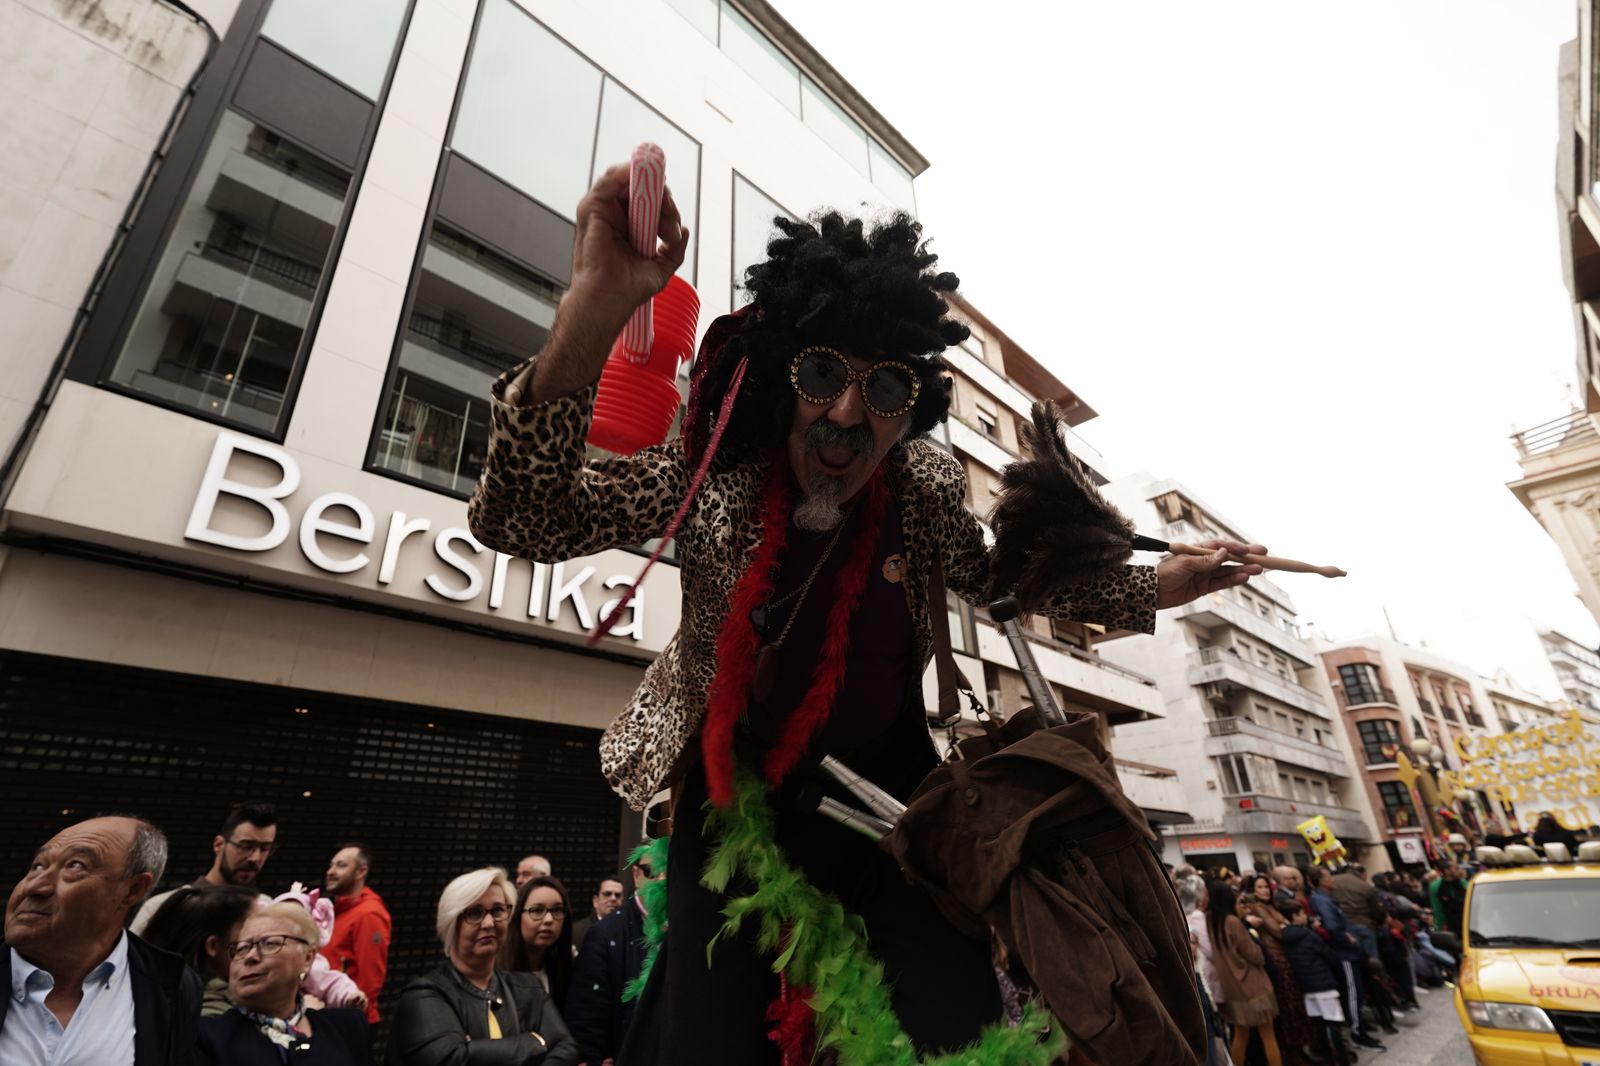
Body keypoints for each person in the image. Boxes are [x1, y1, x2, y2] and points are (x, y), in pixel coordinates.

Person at [469, 163, 1255, 1064]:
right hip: (736, 796)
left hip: (890, 801)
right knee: (713, 1036)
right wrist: (597, 308)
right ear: (778, 377)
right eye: (819, 373)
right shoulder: (720, 462)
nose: (845, 413)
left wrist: (1162, 585)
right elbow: (518, 519)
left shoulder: (917, 485)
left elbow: (1007, 577)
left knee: (955, 1026)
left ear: (906, 411)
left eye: (881, 390)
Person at [1, 814, 202, 1065]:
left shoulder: (171, 984)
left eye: (75, 866)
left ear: (133, 890)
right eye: (38, 866)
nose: (35, 887)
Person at [387, 868, 576, 1065]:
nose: (489, 923)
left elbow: (567, 1048)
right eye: (475, 913)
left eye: (497, 911)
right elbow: (454, 1059)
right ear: (451, 922)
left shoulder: (528, 988)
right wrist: (534, 1042)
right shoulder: (423, 996)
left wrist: (477, 1051)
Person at [192, 901, 368, 1064]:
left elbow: (302, 1048)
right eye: (241, 948)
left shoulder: (346, 1026)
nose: (250, 957)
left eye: (269, 943)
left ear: (307, 958)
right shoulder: (206, 1038)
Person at [132, 801, 277, 934]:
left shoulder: (268, 909)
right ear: (219, 845)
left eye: (265, 849)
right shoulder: (164, 907)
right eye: (246, 846)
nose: (255, 858)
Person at [566, 856, 654, 1066]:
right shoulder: (605, 934)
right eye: (651, 870)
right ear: (636, 875)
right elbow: (588, 1014)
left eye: (668, 868)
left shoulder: (687, 927)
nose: (661, 878)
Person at [138, 882, 261, 1016]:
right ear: (213, 946)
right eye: (251, 929)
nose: (262, 942)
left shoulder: (151, 996)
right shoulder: (214, 1018)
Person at [1205, 881, 1280, 1065]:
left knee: (1240, 1035)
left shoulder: (1210, 920)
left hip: (1232, 988)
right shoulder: (1232, 922)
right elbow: (1253, 954)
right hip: (1253, 986)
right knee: (1268, 1035)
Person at [1239, 875, 1311, 1063]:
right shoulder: (1258, 908)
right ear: (1253, 890)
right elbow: (1279, 932)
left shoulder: (1271, 905)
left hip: (1284, 956)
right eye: (1259, 887)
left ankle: (1298, 1050)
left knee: (1294, 1006)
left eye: (1266, 887)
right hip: (1275, 958)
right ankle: (1292, 1053)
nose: (1264, 890)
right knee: (1287, 1007)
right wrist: (1285, 925)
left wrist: (1285, 925)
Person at [1308, 869, 1382, 1050]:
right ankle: (1357, 1032)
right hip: (1344, 954)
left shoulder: (1327, 898)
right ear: (1321, 881)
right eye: (1328, 876)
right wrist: (1348, 939)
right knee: (1352, 993)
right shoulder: (1322, 900)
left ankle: (1359, 1027)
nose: (1333, 879)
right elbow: (1333, 927)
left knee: (1356, 991)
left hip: (1348, 952)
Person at [322, 842, 390, 1024]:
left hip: (349, 1018)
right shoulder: (336, 908)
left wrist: (353, 1015)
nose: (331, 871)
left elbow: (370, 978)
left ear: (361, 872)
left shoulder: (369, 914)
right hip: (329, 1013)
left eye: (341, 865)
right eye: (331, 865)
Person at [1277, 902, 1352, 1066]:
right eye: (1302, 913)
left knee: (1320, 1025)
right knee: (1333, 1024)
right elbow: (1330, 955)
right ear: (1295, 916)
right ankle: (1342, 1059)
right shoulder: (1307, 935)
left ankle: (1328, 1059)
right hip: (1323, 984)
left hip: (1307, 986)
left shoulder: (1285, 937)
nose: (1305, 916)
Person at [501, 876, 575, 1006]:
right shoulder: (495, 974)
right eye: (537, 910)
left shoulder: (568, 974)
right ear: (517, 916)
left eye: (557, 910)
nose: (548, 919)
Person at [571, 878, 625, 950]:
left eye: (618, 895)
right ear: (595, 901)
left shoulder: (629, 930)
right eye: (607, 894)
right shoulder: (577, 931)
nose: (613, 898)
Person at [1428, 862, 1469, 937]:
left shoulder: (1466, 884)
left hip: (1470, 924)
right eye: (1456, 868)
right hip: (1452, 928)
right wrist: (1438, 929)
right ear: (1447, 871)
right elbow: (1438, 910)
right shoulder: (1435, 887)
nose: (1461, 870)